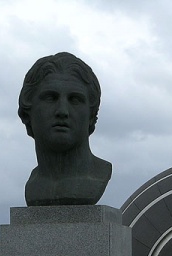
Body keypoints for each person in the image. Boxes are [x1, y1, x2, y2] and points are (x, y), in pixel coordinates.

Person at [18, 52, 112, 206]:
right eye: (50, 98)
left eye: (75, 100)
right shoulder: (34, 186)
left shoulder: (97, 177)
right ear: (27, 112)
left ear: (91, 115)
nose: (62, 111)